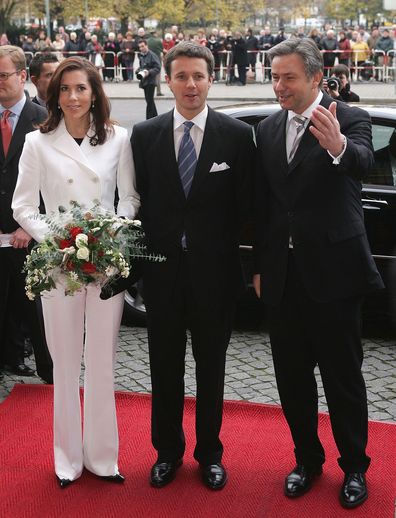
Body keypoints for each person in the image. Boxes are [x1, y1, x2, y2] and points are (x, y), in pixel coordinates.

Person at [253, 38, 384, 509]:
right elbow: (265, 207)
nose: (279, 86)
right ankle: (307, 461)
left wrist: (338, 147)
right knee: (291, 379)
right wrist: (259, 267)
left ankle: (354, 469)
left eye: (288, 77)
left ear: (314, 76)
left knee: (342, 378)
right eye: (274, 76)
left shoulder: (349, 118)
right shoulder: (266, 129)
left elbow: (363, 163)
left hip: (335, 276)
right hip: (283, 278)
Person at [130, 41, 255, 490]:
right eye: (181, 76)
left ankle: (209, 455)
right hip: (161, 275)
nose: (190, 84)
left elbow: (249, 209)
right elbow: (136, 206)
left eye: (198, 76)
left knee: (211, 369)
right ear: (168, 81)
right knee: (164, 368)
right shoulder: (143, 136)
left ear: (211, 78)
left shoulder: (237, 137)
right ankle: (166, 453)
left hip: (214, 277)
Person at [12, 56, 140, 488]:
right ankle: (66, 460)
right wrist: (62, 239)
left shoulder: (119, 138)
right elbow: (23, 206)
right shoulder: (38, 142)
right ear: (54, 95)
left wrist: (111, 234)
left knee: (102, 362)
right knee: (65, 365)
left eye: (80, 89)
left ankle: (104, 459)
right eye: (64, 89)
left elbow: (129, 199)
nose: (72, 97)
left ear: (94, 92)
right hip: (59, 264)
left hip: (105, 264)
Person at [0, 46, 47, 378]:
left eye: (3, 76)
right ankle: (7, 357)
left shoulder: (43, 119)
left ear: (21, 76)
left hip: (27, 233)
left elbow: (52, 182)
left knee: (33, 305)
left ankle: (47, 366)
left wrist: (30, 226)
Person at [136, 39, 161, 119]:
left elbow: (158, 67)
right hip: (144, 81)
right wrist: (138, 70)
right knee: (149, 101)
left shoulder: (152, 55)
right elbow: (142, 66)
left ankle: (149, 119)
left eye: (143, 46)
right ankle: (155, 118)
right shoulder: (141, 55)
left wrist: (149, 72)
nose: (141, 48)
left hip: (151, 81)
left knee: (149, 101)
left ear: (147, 45)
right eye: (140, 47)